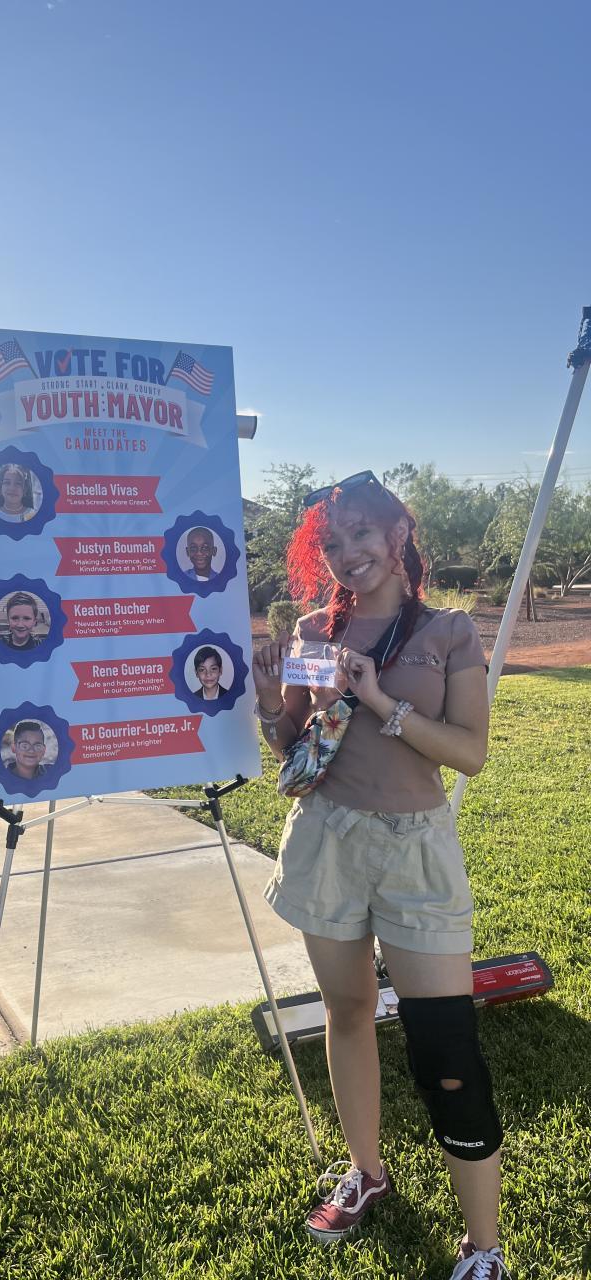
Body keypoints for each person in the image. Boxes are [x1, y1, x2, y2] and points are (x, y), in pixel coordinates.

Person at [252, 472, 508, 1280]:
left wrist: (380, 701)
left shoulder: (448, 630)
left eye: (362, 533)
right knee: (349, 1010)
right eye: (332, 542)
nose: (348, 554)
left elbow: (470, 752)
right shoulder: (311, 630)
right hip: (326, 838)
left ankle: (484, 1246)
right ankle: (366, 1172)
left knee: (445, 1041)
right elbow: (296, 747)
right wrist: (269, 702)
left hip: (414, 849)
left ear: (398, 535)